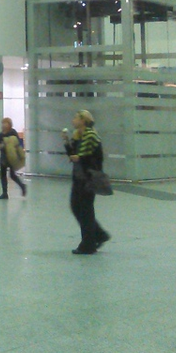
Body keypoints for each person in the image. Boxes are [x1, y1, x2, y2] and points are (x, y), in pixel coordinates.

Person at [65, 109, 110, 255]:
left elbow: (80, 156)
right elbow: (73, 154)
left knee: (84, 210)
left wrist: (74, 155)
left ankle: (88, 244)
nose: (73, 120)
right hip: (79, 177)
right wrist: (66, 142)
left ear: (83, 120)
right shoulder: (78, 135)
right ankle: (98, 235)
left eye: (75, 117)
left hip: (88, 178)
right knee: (78, 207)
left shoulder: (90, 135)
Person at [0, 116, 27, 199]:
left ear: (9, 124)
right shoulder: (1, 134)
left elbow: (18, 143)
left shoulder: (13, 132)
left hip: (12, 157)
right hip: (3, 157)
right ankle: (4, 193)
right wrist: (0, 145)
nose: (3, 125)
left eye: (5, 123)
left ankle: (22, 186)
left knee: (12, 175)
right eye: (3, 123)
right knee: (3, 175)